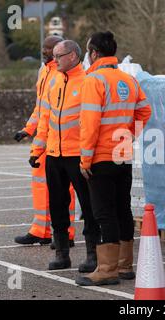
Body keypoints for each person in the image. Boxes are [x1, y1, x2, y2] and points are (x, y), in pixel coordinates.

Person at [75, 31, 151, 286]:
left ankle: (106, 270)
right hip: (123, 154)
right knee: (122, 209)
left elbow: (90, 123)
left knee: (103, 212)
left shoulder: (93, 80)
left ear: (94, 53)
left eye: (88, 51)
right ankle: (124, 266)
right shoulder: (128, 79)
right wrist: (130, 136)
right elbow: (145, 110)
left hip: (101, 157)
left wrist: (85, 160)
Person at [30, 40, 99, 271]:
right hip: (54, 155)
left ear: (73, 56)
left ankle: (93, 255)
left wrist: (88, 155)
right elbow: (44, 120)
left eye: (59, 56)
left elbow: (91, 123)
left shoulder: (88, 81)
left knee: (89, 207)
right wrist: (37, 149)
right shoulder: (54, 81)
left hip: (77, 156)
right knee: (58, 206)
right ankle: (62, 254)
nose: (54, 59)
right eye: (54, 56)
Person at [13, 35, 76, 248]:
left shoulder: (60, 73)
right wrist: (27, 129)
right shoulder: (44, 71)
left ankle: (66, 233)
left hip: (58, 139)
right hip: (44, 138)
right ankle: (41, 230)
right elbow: (40, 108)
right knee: (41, 186)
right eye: (44, 47)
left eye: (48, 48)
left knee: (63, 189)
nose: (44, 51)